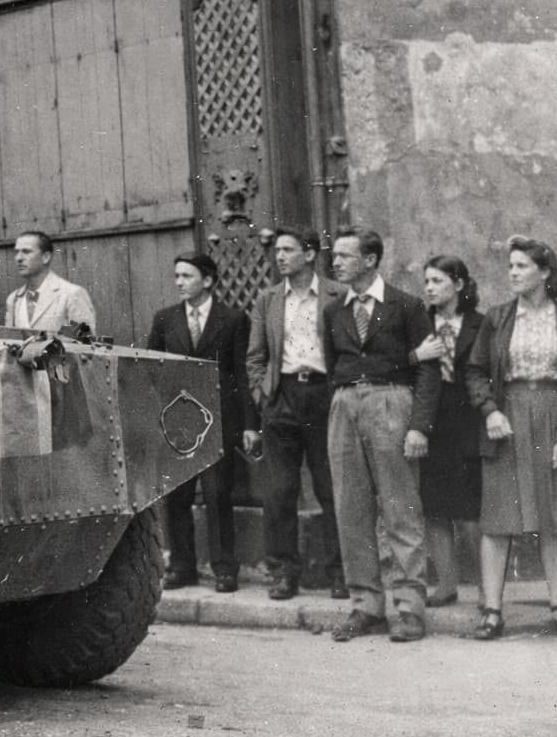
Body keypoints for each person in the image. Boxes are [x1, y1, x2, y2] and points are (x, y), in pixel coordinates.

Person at [323, 227, 441, 642]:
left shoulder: (407, 307)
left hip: (392, 405)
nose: (335, 262)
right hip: (345, 407)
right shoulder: (334, 311)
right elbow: (335, 365)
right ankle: (365, 605)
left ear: (371, 260)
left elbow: (429, 370)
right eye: (334, 255)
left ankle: (408, 608)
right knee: (350, 509)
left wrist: (419, 426)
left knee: (400, 507)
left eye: (344, 255)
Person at [464, 236, 557, 641]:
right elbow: (475, 371)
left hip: (552, 416)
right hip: (507, 421)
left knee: (554, 518)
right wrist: (490, 411)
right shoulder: (496, 318)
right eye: (510, 266)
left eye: (521, 266)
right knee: (498, 519)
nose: (513, 273)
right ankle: (492, 612)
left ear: (545, 272)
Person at [244, 226, 348, 601]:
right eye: (277, 251)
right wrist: (263, 396)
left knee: (331, 488)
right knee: (280, 491)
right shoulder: (268, 299)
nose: (279, 256)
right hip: (283, 396)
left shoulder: (338, 294)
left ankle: (342, 572)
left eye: (288, 250)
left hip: (325, 394)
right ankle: (283, 573)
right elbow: (255, 356)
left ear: (310, 254)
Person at [147, 252, 254, 593]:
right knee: (177, 495)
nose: (179, 282)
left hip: (218, 421)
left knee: (217, 493)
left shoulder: (234, 319)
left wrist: (249, 424)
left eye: (187, 276)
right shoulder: (165, 320)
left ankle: (225, 568)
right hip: (177, 422)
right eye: (177, 276)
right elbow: (154, 371)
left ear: (207, 281)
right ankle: (182, 566)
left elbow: (241, 374)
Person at [416, 255, 484, 610]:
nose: (429, 288)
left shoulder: (480, 324)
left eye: (437, 281)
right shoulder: (419, 324)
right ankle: (446, 584)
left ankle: (487, 587)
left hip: (469, 419)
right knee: (434, 507)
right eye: (426, 281)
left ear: (458, 285)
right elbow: (401, 363)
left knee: (471, 510)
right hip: (430, 419)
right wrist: (417, 354)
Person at [2, 231, 96, 334]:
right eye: (17, 252)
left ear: (45, 257)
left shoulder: (71, 294)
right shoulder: (14, 299)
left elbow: (85, 344)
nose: (18, 258)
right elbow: (9, 340)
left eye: (26, 251)